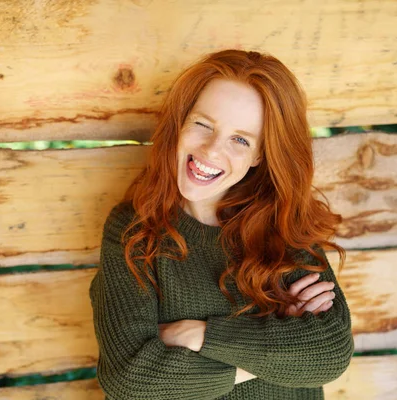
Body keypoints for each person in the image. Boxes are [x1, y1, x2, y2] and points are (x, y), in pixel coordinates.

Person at [89, 49, 354, 400]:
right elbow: (130, 379)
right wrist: (271, 348)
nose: (212, 150)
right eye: (203, 124)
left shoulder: (282, 227)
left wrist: (196, 335)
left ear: (260, 154)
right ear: (181, 123)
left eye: (240, 139)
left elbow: (328, 355)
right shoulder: (135, 231)